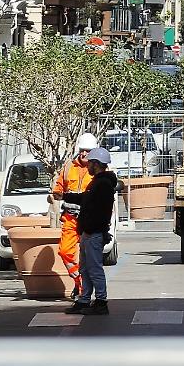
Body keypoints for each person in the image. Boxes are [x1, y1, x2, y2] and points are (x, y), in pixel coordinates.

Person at [62, 147, 119, 316]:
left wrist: (96, 229)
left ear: (96, 164)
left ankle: (101, 302)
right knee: (85, 269)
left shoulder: (103, 184)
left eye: (90, 164)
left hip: (94, 233)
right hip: (88, 233)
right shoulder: (98, 182)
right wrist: (66, 196)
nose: (87, 167)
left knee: (94, 269)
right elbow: (84, 199)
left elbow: (97, 210)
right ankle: (84, 300)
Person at [50, 133, 97, 299]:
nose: (84, 154)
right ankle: (80, 281)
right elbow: (59, 186)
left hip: (89, 219)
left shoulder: (97, 169)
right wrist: (55, 194)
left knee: (88, 256)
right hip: (70, 217)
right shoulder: (69, 167)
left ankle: (85, 289)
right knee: (64, 252)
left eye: (88, 151)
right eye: (82, 150)